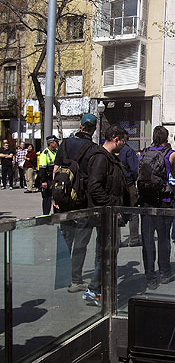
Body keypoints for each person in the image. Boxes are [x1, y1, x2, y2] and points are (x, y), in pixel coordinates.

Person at [83, 125, 130, 305]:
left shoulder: (108, 158)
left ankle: (98, 288)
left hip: (108, 213)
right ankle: (94, 288)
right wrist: (111, 205)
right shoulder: (101, 158)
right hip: (105, 213)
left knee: (104, 250)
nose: (124, 145)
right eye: (123, 141)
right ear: (116, 139)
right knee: (108, 251)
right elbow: (94, 186)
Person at [53, 113, 99, 293]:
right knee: (80, 242)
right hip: (82, 202)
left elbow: (56, 170)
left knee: (65, 240)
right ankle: (75, 280)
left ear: (80, 126)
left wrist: (57, 197)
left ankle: (62, 277)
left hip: (63, 201)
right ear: (93, 128)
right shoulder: (93, 149)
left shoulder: (64, 144)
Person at [138, 126, 175, 290]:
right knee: (163, 238)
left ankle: (150, 276)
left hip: (146, 200)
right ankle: (164, 272)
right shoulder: (171, 154)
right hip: (164, 199)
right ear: (166, 138)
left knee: (147, 239)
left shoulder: (143, 153)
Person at [118, 141, 140, 246]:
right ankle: (134, 238)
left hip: (116, 185)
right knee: (133, 211)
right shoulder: (128, 151)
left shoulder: (110, 151)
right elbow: (135, 169)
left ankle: (116, 239)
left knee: (116, 212)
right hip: (129, 184)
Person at [39, 135, 59, 215]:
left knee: (57, 197)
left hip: (55, 179)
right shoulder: (45, 153)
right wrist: (43, 181)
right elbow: (42, 168)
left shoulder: (56, 152)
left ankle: (56, 215)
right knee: (47, 198)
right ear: (51, 143)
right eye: (55, 142)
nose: (57, 143)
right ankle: (46, 216)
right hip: (48, 179)